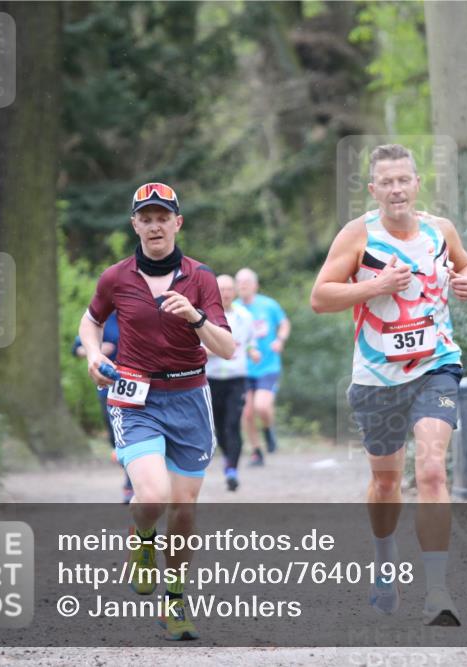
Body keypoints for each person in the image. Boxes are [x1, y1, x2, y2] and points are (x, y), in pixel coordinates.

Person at [310, 144, 467, 626]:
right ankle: (385, 565)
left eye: (404, 179)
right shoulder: (357, 235)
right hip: (377, 378)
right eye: (387, 181)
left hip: (436, 366)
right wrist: (376, 286)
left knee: (430, 470)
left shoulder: (440, 230)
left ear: (417, 182)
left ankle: (438, 591)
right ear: (373, 189)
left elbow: (466, 266)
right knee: (386, 481)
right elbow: (320, 297)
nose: (397, 188)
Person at [78, 182, 235, 641]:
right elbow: (90, 320)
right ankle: (142, 538)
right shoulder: (116, 277)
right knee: (152, 497)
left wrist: (196, 317)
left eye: (162, 217)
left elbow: (226, 347)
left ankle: (175, 598)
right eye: (145, 218)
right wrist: (92, 355)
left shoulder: (200, 278)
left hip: (190, 398)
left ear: (177, 223)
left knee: (183, 508)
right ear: (135, 225)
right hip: (135, 397)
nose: (154, 225)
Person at [72, 312, 133, 503]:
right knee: (117, 437)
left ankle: (131, 483)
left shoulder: (140, 309)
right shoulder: (103, 315)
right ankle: (131, 473)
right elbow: (77, 349)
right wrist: (95, 351)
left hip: (140, 387)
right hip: (109, 387)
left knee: (133, 434)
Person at [206, 274, 260, 491]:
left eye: (229, 289)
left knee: (232, 424)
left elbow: (250, 342)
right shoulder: (204, 316)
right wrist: (211, 351)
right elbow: (196, 346)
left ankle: (232, 470)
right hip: (211, 378)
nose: (225, 293)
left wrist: (253, 351)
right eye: (221, 289)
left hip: (237, 378)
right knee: (218, 427)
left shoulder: (244, 316)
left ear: (235, 292)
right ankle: (228, 459)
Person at [236, 267, 290, 466]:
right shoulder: (234, 308)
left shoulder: (268, 305)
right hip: (243, 368)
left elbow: (284, 324)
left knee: (262, 407)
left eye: (246, 282)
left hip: (267, 365)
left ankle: (268, 429)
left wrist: (280, 339)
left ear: (255, 285)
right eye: (239, 282)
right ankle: (257, 451)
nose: (242, 286)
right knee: (247, 412)